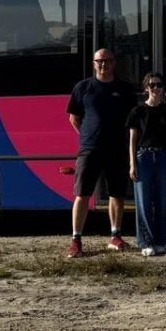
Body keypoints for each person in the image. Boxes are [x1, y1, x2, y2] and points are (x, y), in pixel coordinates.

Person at [66, 48, 138, 258]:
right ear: (94, 63)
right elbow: (74, 118)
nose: (104, 64)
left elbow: (132, 121)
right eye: (100, 61)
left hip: (117, 149)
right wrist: (87, 136)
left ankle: (115, 236)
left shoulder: (125, 89)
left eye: (108, 60)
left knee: (117, 194)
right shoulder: (83, 87)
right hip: (90, 149)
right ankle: (76, 240)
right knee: (82, 194)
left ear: (114, 63)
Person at [126, 72, 166, 256]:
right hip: (143, 158)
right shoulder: (137, 111)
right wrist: (132, 164)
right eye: (152, 85)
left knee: (162, 202)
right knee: (144, 203)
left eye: (159, 85)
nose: (156, 88)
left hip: (164, 157)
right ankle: (146, 242)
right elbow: (132, 140)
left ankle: (160, 241)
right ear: (146, 88)